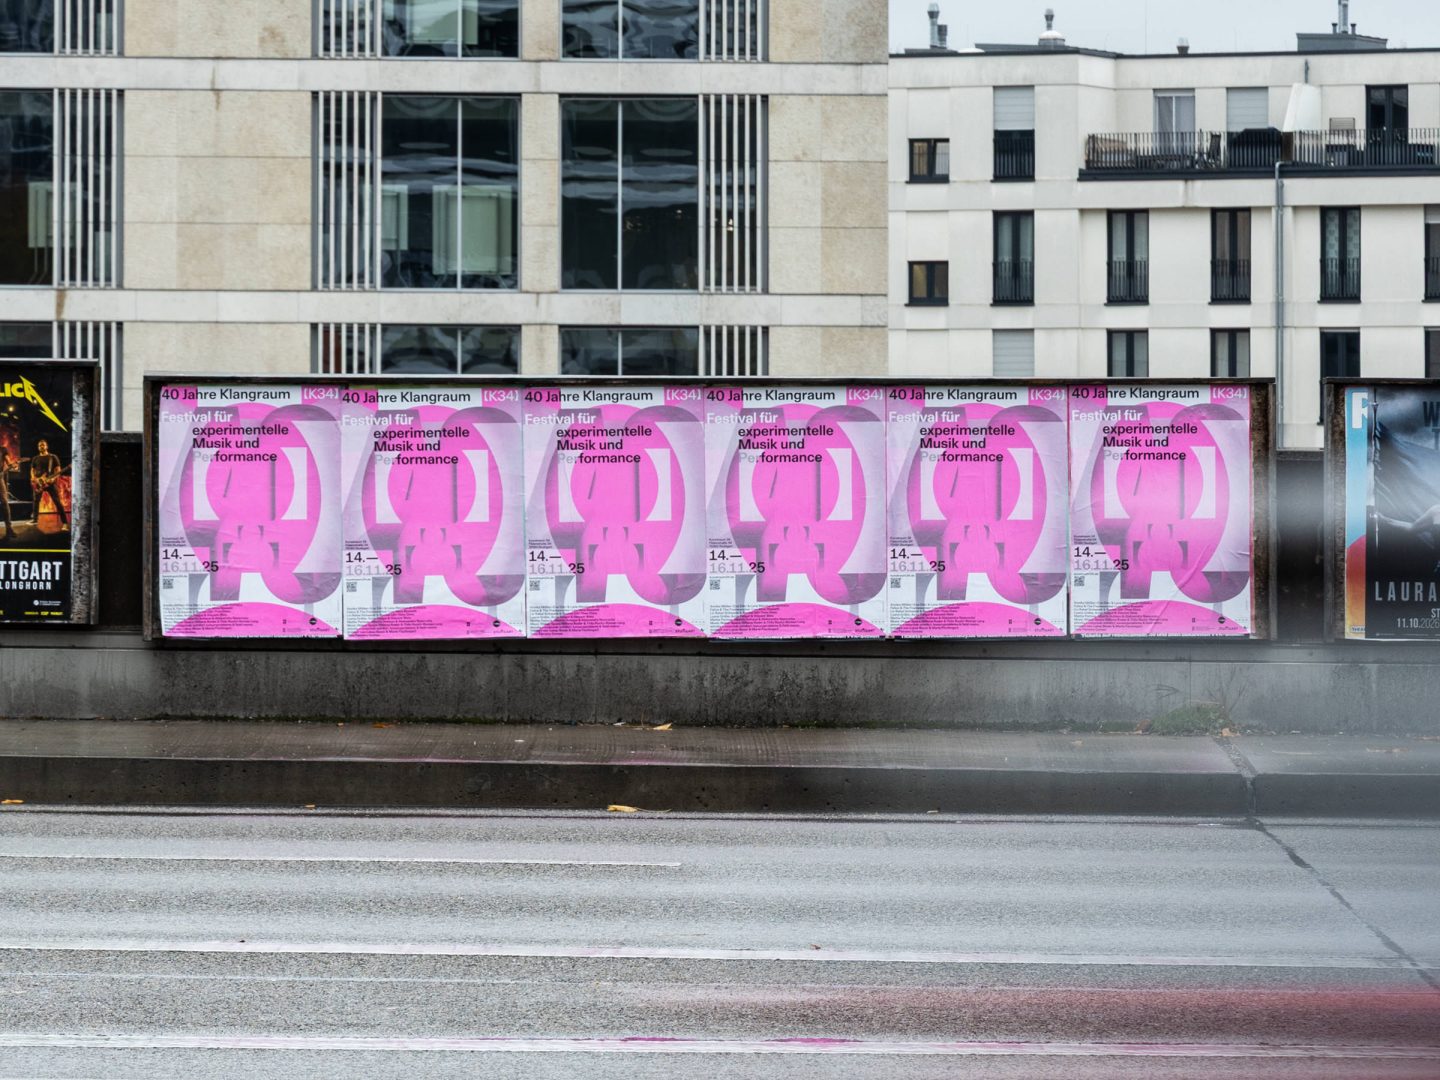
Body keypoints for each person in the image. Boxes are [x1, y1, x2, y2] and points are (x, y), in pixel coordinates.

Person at [28, 438, 68, 530]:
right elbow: (32, 470)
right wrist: (34, 479)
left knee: (57, 502)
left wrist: (53, 479)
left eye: (43, 445)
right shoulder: (35, 458)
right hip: (38, 483)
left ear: (47, 446)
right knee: (36, 501)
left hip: (50, 483)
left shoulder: (53, 457)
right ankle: (35, 520)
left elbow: (58, 470)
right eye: (39, 445)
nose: (41, 446)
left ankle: (65, 523)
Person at [0, 449, 15, 541]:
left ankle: (9, 529)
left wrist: (11, 465)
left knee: (5, 502)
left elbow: (8, 461)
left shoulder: (2, 449)